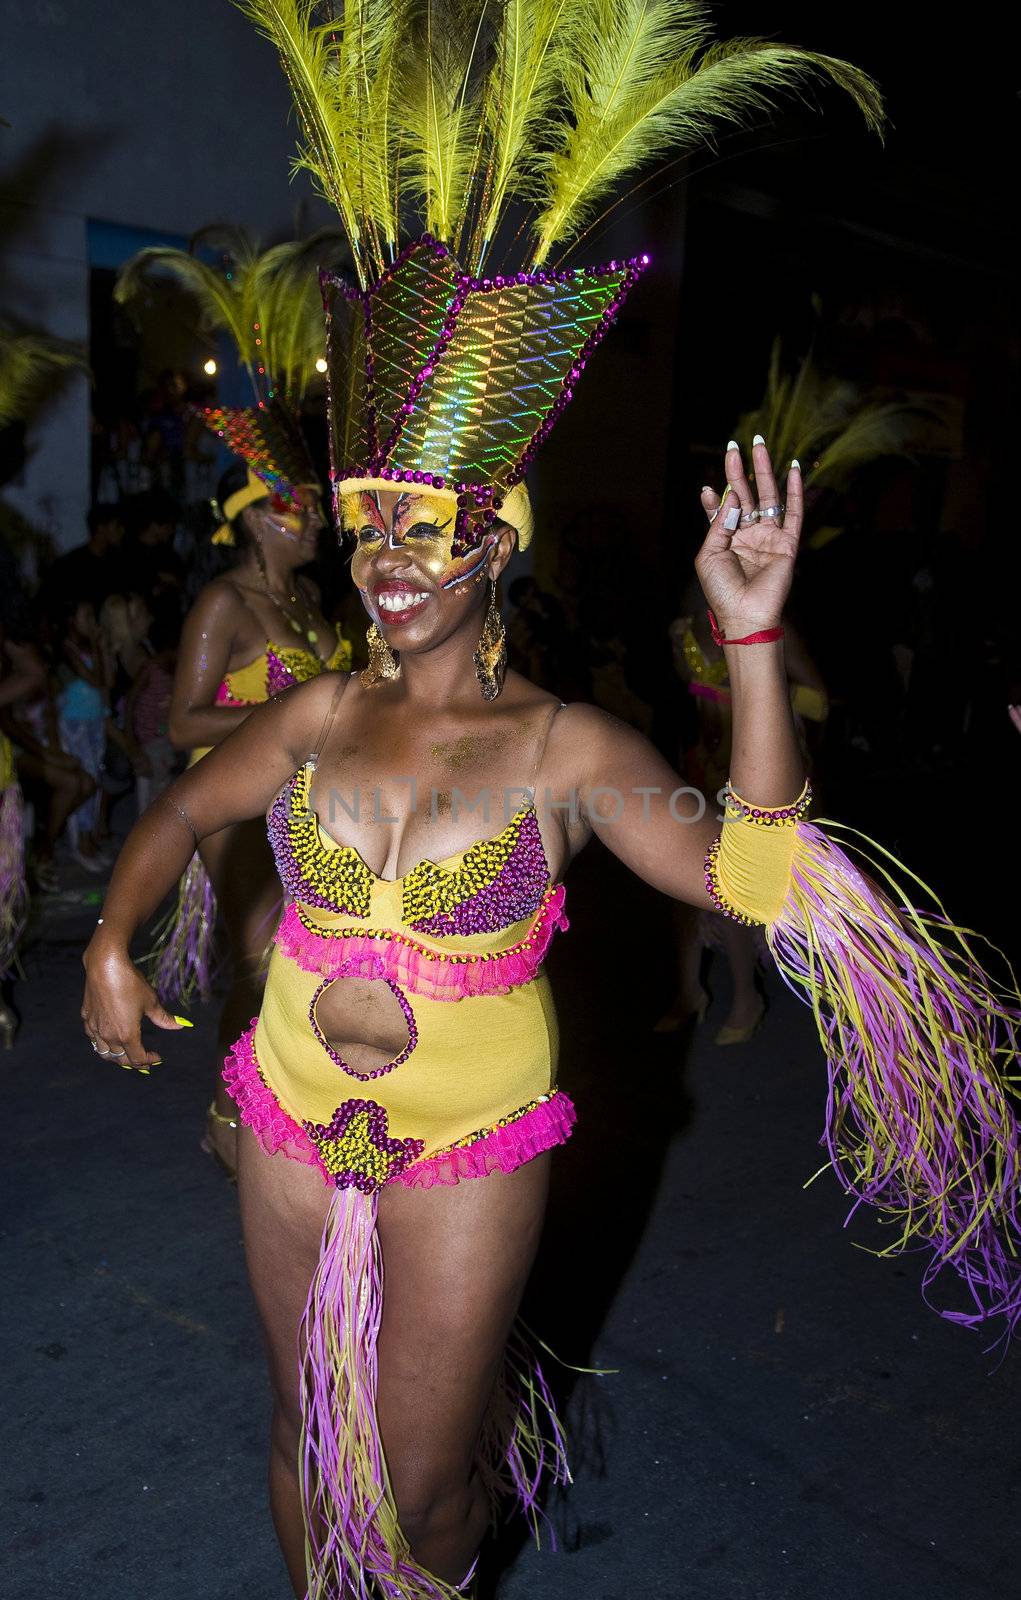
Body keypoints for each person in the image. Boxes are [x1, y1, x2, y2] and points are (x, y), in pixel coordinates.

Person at [80, 8, 1019, 1599]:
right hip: (289, 1114)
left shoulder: (566, 746)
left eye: (427, 527)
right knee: (308, 1433)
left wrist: (752, 640)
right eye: (371, 526)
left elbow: (758, 877)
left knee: (430, 1492)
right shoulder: (313, 709)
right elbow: (184, 815)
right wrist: (111, 939)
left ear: (494, 543)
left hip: (466, 1140)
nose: (388, 559)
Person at [41, 503, 124, 614]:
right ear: (101, 528)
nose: (122, 531)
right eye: (117, 526)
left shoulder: (117, 561)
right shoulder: (69, 565)